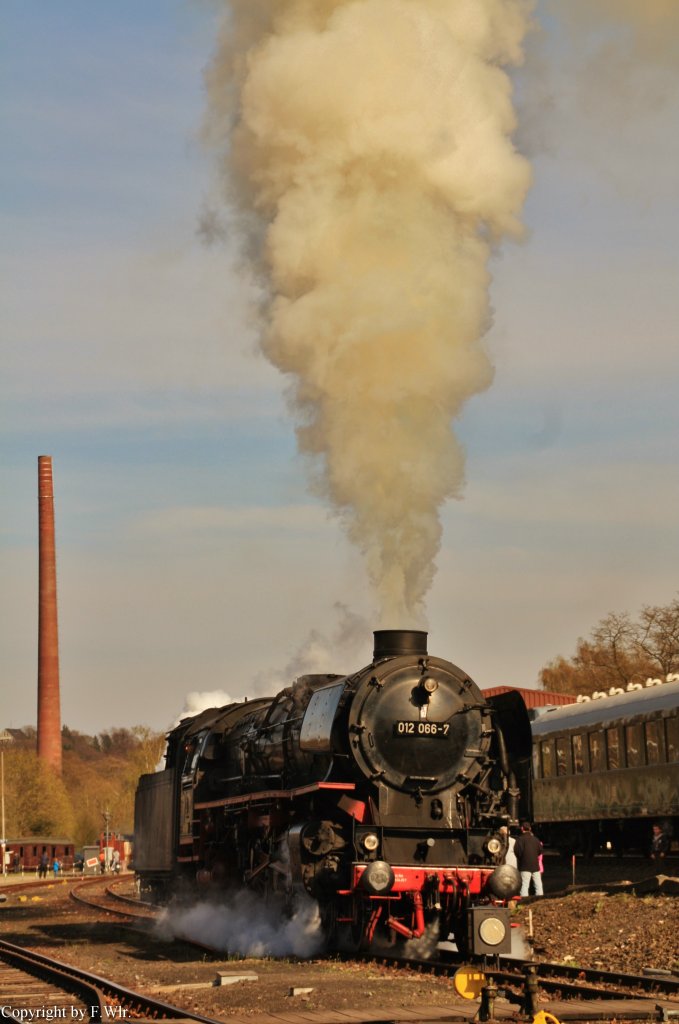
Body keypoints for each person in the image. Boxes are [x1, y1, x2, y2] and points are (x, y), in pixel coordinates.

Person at [514, 821, 544, 897]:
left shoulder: (520, 839)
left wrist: (522, 858)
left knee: (524, 885)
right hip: (535, 866)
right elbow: (540, 851)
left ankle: (524, 903)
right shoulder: (536, 839)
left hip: (524, 866)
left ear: (522, 829)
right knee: (538, 885)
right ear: (530, 829)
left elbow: (517, 851)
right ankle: (539, 901)